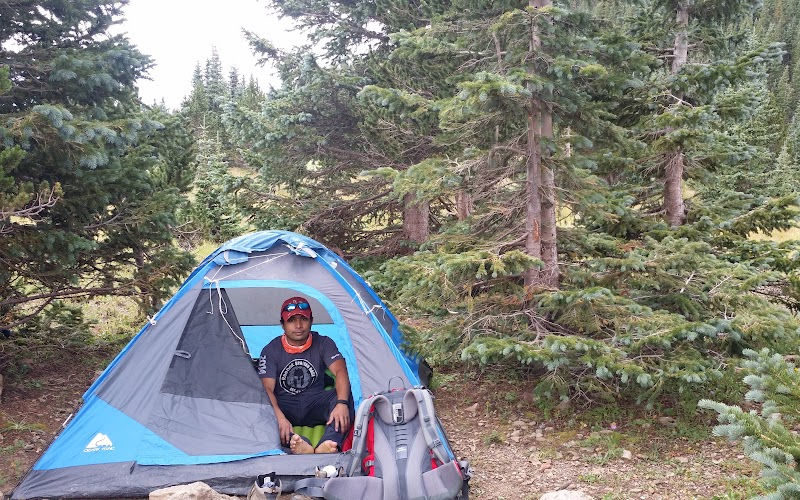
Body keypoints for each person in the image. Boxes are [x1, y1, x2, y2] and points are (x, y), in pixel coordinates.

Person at [258, 296, 354, 454]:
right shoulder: (271, 349)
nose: (298, 325)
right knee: (262, 408)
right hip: (286, 405)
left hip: (315, 402)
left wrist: (342, 403)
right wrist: (280, 418)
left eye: (303, 319)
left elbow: (340, 371)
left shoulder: (323, 343)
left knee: (346, 395)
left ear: (311, 321)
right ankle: (297, 443)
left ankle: (329, 442)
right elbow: (266, 388)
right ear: (282, 324)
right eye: (291, 320)